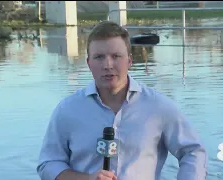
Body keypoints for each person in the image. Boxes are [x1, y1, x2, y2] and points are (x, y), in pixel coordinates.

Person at [36, 21, 207, 180]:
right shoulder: (68, 110)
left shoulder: (159, 108)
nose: (108, 65)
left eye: (116, 56)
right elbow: (48, 164)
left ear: (130, 61)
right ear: (89, 63)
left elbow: (192, 152)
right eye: (99, 57)